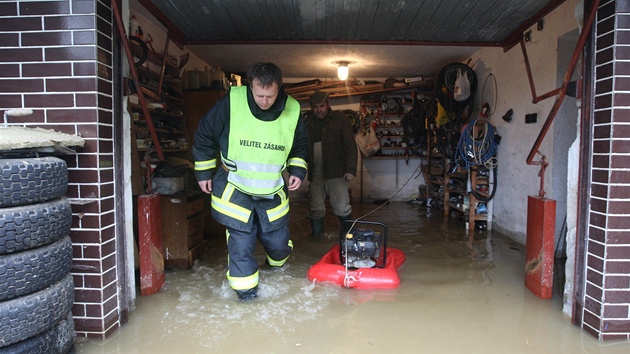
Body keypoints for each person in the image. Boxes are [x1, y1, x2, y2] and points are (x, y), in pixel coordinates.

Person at [193, 62, 308, 300]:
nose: (264, 101)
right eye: (259, 95)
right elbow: (205, 135)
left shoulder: (293, 109)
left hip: (272, 190)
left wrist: (297, 169)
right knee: (241, 245)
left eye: (270, 95)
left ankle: (275, 268)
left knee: (278, 245)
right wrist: (204, 172)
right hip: (235, 188)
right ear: (250, 86)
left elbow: (299, 146)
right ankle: (246, 296)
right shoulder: (231, 102)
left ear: (279, 88)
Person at [304, 91, 358, 239]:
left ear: (328, 105)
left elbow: (350, 146)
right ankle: (317, 238)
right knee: (315, 207)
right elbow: (302, 146)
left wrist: (351, 169)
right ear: (311, 107)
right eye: (315, 107)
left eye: (322, 106)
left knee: (341, 206)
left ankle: (350, 237)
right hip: (315, 172)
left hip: (336, 171)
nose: (319, 110)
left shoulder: (341, 119)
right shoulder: (307, 121)